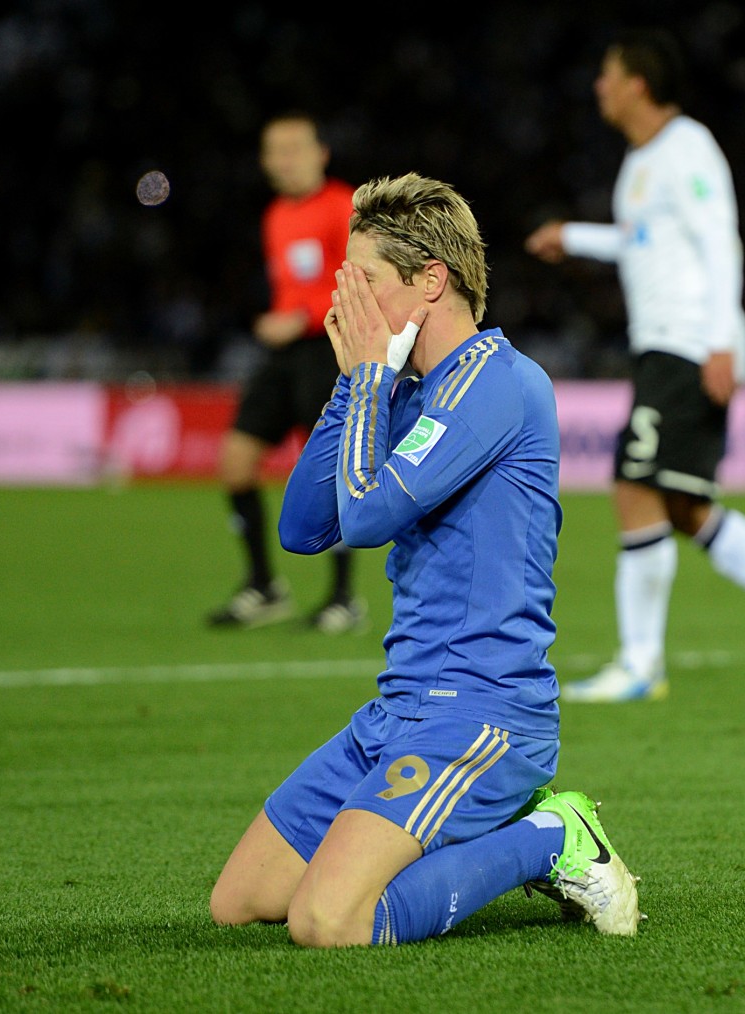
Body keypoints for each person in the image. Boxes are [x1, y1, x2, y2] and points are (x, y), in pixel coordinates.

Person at [209, 172, 643, 947]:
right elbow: (305, 530)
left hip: (481, 714)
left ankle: (552, 835)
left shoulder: (502, 385)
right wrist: (354, 388)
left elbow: (368, 518)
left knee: (326, 921)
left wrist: (370, 378)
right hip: (397, 713)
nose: (345, 302)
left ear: (430, 281)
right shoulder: (402, 392)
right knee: (241, 901)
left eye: (364, 280)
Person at [525, 28, 745, 701]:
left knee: (632, 485)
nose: (599, 87)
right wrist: (575, 236)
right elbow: (642, 241)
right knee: (679, 503)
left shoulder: (687, 147)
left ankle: (641, 665)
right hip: (668, 340)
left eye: (608, 75)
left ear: (638, 83)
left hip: (689, 340)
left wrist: (721, 342)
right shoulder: (643, 160)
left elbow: (718, 241)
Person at [208, 112, 366, 634]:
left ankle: (344, 597)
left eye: (295, 148)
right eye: (275, 150)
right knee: (236, 461)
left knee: (328, 474)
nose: (284, 159)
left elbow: (362, 280)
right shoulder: (276, 215)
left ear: (322, 153)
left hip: (328, 347)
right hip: (286, 357)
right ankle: (263, 585)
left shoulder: (344, 207)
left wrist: (299, 316)